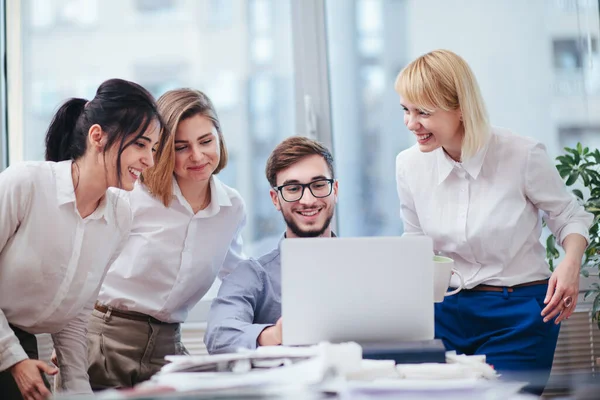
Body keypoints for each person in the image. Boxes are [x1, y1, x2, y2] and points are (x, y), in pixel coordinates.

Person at [394, 49, 593, 393]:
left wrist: (570, 263)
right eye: (406, 110)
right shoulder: (409, 165)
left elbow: (569, 216)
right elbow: (415, 241)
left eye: (423, 112)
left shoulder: (522, 154)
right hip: (444, 313)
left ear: (460, 109)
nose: (412, 124)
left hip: (518, 313)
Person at [0, 78, 165, 399]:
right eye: (141, 145)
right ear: (97, 136)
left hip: (20, 343)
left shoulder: (119, 216)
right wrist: (14, 359)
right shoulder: (25, 183)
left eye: (154, 149)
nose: (150, 161)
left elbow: (76, 310)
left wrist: (77, 387)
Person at [87, 88, 247, 389]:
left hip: (168, 349)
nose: (197, 156)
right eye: (181, 146)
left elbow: (239, 280)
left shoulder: (232, 208)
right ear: (161, 149)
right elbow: (82, 266)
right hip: (105, 340)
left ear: (220, 139)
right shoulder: (133, 194)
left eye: (206, 141)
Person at [205, 136, 338, 354]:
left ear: (335, 190)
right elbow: (219, 335)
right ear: (275, 199)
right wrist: (276, 334)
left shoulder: (367, 266)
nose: (308, 199)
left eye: (319, 185)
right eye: (293, 188)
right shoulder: (252, 275)